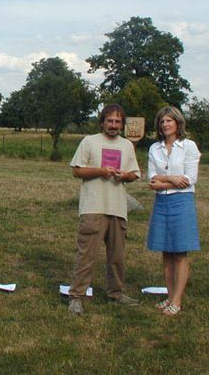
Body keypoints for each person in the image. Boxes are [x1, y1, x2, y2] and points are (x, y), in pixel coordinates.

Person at [68, 103, 141, 316]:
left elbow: (134, 174)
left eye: (118, 121)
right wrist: (100, 171)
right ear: (102, 122)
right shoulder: (89, 141)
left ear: (122, 124)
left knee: (117, 257)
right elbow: (76, 171)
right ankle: (76, 297)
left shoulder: (127, 145)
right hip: (93, 207)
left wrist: (124, 176)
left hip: (117, 209)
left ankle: (116, 294)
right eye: (110, 121)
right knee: (86, 256)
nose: (114, 125)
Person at [146, 106, 201, 317]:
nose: (165, 124)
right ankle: (169, 296)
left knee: (180, 252)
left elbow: (189, 179)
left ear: (178, 123)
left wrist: (163, 183)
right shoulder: (154, 148)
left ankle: (177, 301)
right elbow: (152, 179)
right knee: (166, 252)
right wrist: (172, 179)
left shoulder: (188, 146)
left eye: (169, 120)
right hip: (161, 203)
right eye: (162, 121)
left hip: (182, 202)